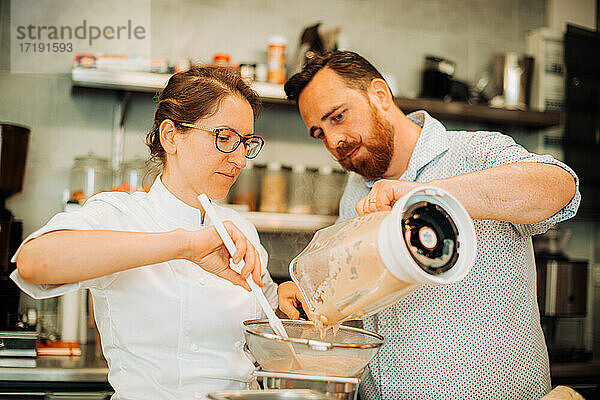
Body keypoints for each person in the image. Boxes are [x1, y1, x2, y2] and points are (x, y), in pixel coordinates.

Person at [278, 51, 580, 400]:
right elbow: (360, 294)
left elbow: (561, 188)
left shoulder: (475, 153)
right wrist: (311, 295)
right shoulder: (356, 191)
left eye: (338, 117)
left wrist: (426, 196)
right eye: (319, 133)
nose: (333, 142)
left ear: (379, 94)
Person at [11, 66, 278, 400]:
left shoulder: (242, 229)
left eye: (246, 143)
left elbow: (267, 323)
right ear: (171, 136)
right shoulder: (120, 214)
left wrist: (288, 301)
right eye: (224, 138)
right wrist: (185, 245)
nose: (240, 159)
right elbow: (34, 263)